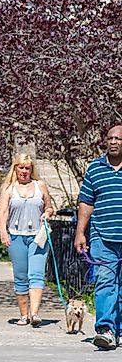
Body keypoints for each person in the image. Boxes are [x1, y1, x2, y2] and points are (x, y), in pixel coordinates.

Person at [75, 124, 122, 350]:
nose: (113, 142)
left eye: (118, 139)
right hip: (103, 236)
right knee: (106, 281)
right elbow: (86, 202)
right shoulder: (95, 168)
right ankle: (105, 329)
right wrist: (80, 233)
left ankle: (119, 330)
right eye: (110, 138)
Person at [0, 153, 53, 327]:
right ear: (15, 168)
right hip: (16, 236)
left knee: (36, 275)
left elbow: (49, 206)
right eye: (21, 167)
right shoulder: (9, 189)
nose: (24, 171)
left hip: (38, 237)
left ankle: (35, 314)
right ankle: (23, 315)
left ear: (31, 170)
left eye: (27, 168)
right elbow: (2, 213)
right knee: (21, 277)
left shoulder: (40, 186)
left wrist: (47, 213)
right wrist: (3, 232)